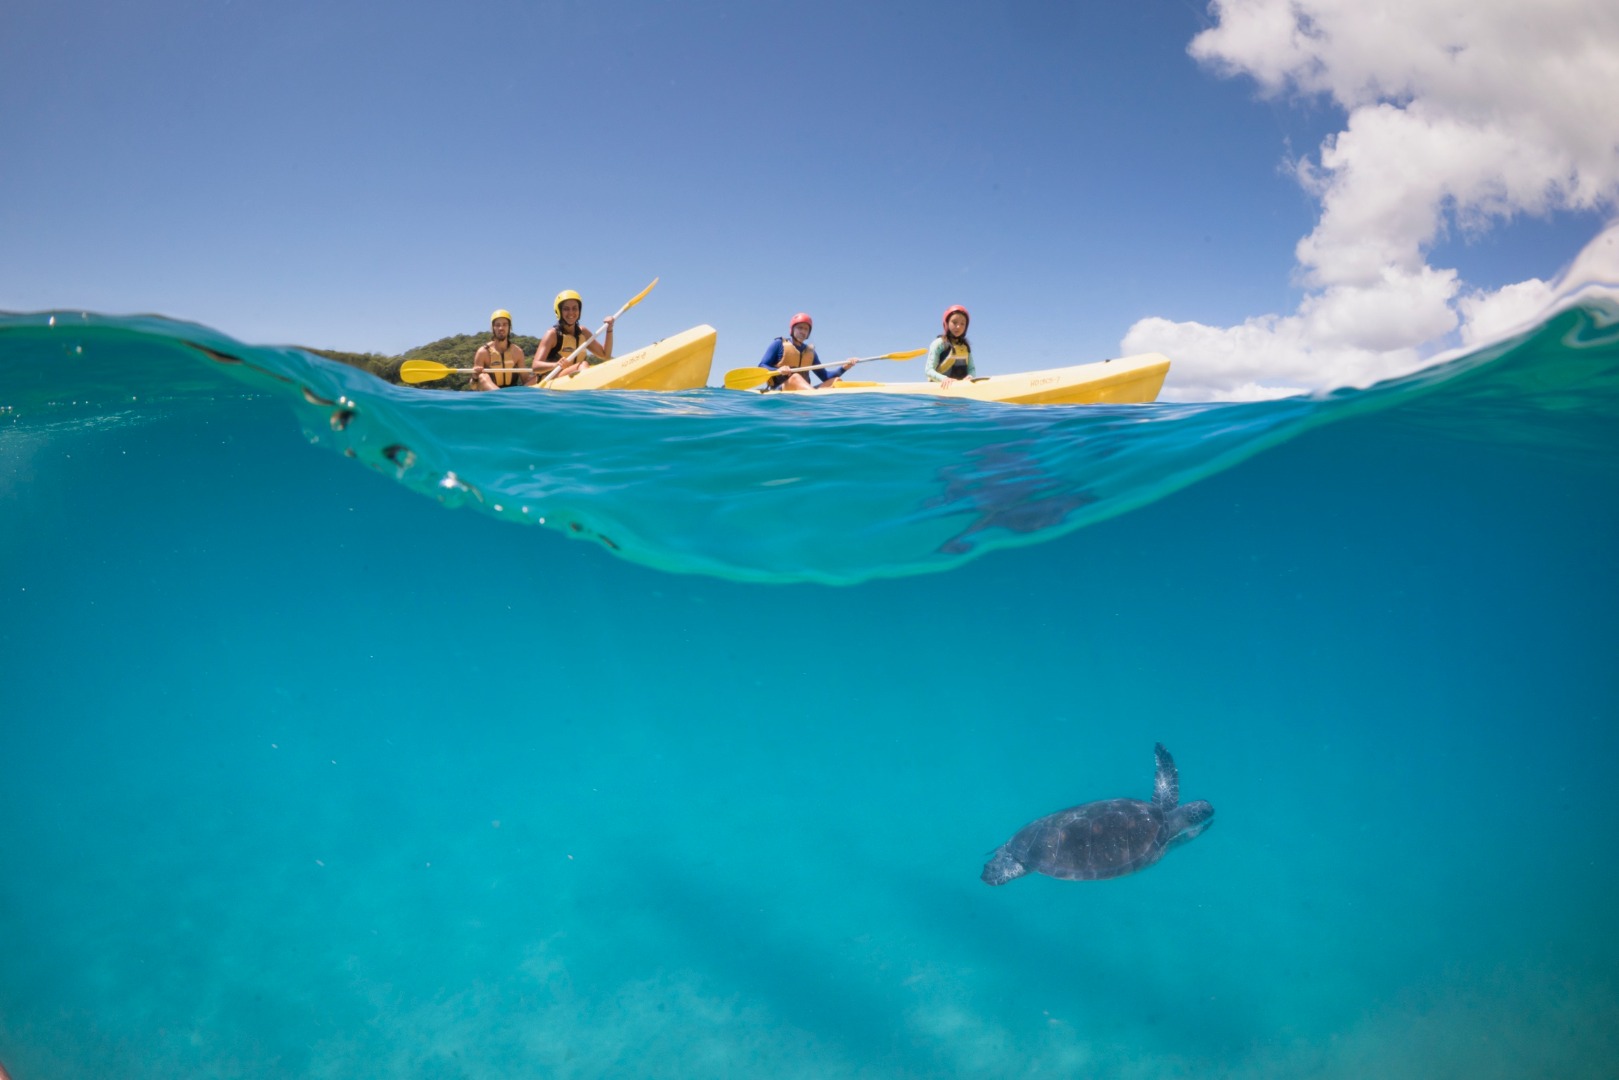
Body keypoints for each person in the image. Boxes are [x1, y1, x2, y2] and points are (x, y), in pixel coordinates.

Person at [756, 313, 853, 391]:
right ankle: (815, 401)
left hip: (805, 393)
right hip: (779, 391)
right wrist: (778, 370)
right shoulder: (778, 344)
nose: (803, 331)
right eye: (800, 328)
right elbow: (762, 366)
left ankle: (819, 401)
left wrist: (844, 367)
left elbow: (825, 377)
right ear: (792, 329)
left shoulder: (810, 353)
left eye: (806, 329)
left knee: (835, 381)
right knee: (795, 377)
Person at [533, 290, 614, 382]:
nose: (571, 312)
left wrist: (609, 329)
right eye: (566, 309)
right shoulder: (552, 334)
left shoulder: (583, 332)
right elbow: (535, 366)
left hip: (574, 378)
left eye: (575, 308)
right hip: (553, 382)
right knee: (583, 365)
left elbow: (605, 355)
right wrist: (555, 365)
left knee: (587, 366)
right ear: (559, 311)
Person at [471, 309, 532, 390]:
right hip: (492, 397)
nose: (501, 328)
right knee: (482, 376)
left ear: (509, 327)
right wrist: (475, 377)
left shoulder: (517, 352)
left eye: (505, 324)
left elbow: (526, 380)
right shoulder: (482, 352)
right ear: (492, 328)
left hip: (512, 394)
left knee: (540, 377)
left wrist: (540, 376)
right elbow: (473, 387)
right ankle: (500, 397)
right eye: (497, 325)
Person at [927, 305, 974, 387]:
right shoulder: (939, 344)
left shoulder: (965, 347)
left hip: (960, 391)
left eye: (962, 323)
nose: (958, 326)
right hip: (939, 391)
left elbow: (971, 369)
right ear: (946, 323)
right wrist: (944, 379)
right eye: (954, 322)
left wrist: (970, 376)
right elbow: (929, 370)